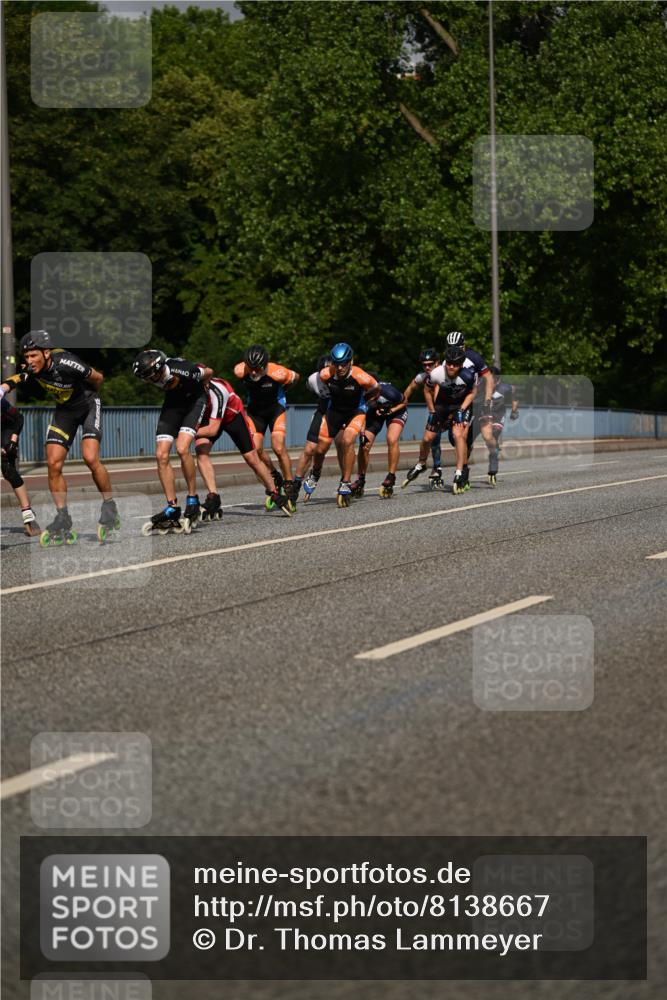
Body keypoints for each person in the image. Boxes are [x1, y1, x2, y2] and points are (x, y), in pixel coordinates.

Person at [0, 329, 118, 545]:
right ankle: (63, 517)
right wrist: (3, 388)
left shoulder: (67, 362)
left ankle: (109, 505)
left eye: (33, 355)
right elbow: (19, 377)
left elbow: (98, 378)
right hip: (65, 412)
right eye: (26, 356)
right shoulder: (32, 368)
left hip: (89, 405)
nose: (29, 360)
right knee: (53, 463)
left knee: (90, 457)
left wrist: (91, 396)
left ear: (46, 353)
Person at [132, 348, 212, 533]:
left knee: (182, 448)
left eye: (151, 376)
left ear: (160, 368)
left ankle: (192, 498)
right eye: (145, 378)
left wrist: (206, 382)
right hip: (173, 404)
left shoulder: (183, 369)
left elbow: (209, 371)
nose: (150, 381)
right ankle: (172, 507)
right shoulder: (153, 374)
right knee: (161, 455)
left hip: (195, 402)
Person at [194, 376, 292, 517]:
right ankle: (213, 496)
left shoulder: (217, 391)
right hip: (211, 417)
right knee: (201, 451)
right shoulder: (189, 391)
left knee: (251, 457)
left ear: (206, 385)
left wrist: (185, 432)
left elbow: (212, 430)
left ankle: (274, 492)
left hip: (232, 416)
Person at [233, 346, 300, 506]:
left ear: (265, 365)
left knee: (278, 447)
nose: (253, 372)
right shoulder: (240, 370)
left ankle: (289, 483)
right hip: (255, 413)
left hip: (275, 409)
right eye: (250, 368)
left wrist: (284, 389)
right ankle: (274, 474)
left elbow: (296, 377)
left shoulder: (278, 372)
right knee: (255, 450)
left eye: (257, 369)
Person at [317, 343, 378, 507]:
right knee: (333, 444)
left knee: (347, 440)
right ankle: (330, 475)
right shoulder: (325, 374)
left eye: (344, 364)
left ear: (351, 361)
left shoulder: (360, 375)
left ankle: (346, 481)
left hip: (356, 411)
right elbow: (316, 383)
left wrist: (367, 400)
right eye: (336, 364)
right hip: (336, 411)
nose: (340, 368)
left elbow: (376, 388)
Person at [355, 380, 407, 499]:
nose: (369, 398)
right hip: (375, 413)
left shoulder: (389, 392)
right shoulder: (360, 393)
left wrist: (391, 411)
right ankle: (360, 478)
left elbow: (405, 402)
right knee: (364, 445)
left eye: (372, 396)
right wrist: (362, 433)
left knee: (391, 439)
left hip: (396, 411)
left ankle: (391, 476)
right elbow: (361, 415)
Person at [291, 354, 332, 502]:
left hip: (341, 413)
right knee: (310, 449)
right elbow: (309, 387)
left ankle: (317, 473)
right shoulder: (313, 379)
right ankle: (296, 484)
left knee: (328, 448)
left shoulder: (344, 378)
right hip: (323, 411)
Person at [402, 347, 443, 487]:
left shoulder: (445, 373)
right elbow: (410, 388)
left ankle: (462, 468)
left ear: (437, 363)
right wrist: (402, 400)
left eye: (430, 364)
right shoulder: (423, 376)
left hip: (450, 410)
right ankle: (435, 467)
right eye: (424, 365)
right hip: (435, 411)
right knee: (430, 439)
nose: (427, 367)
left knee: (455, 438)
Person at [0, 395, 39, 535]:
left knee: (8, 470)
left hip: (7, 428)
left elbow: (19, 418)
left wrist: (13, 440)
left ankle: (27, 513)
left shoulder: (1, 402)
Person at [482, 366, 519, 485]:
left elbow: (515, 393)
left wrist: (514, 410)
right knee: (489, 439)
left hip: (498, 415)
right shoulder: (482, 387)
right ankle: (494, 450)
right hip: (486, 415)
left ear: (497, 379)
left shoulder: (505, 388)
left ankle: (493, 459)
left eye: (491, 379)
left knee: (495, 433)